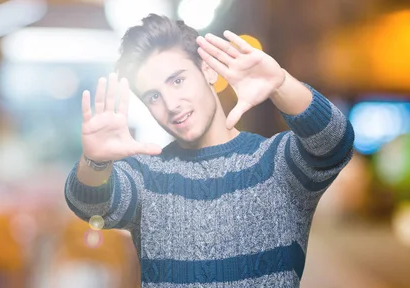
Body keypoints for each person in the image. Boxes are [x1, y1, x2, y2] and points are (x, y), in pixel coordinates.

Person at [64, 14, 354, 287]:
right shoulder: (147, 177)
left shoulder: (274, 164)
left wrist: (281, 84)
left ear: (208, 70)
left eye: (177, 80)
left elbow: (335, 142)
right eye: (154, 96)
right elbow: (91, 205)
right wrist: (94, 161)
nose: (171, 104)